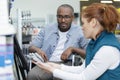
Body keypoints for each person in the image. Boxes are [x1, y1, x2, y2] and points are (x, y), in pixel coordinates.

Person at [33, 3, 120, 80]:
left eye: (84, 23)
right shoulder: (95, 42)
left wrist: (52, 70)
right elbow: (82, 69)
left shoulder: (107, 50)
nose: (82, 27)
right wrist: (55, 66)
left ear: (93, 22)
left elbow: (83, 77)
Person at [27, 4, 88, 80]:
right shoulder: (47, 28)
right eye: (60, 16)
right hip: (47, 62)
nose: (63, 20)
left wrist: (73, 49)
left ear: (72, 18)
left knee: (59, 77)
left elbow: (88, 54)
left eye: (66, 17)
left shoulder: (80, 32)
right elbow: (31, 47)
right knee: (32, 75)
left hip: (67, 64)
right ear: (57, 17)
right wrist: (38, 50)